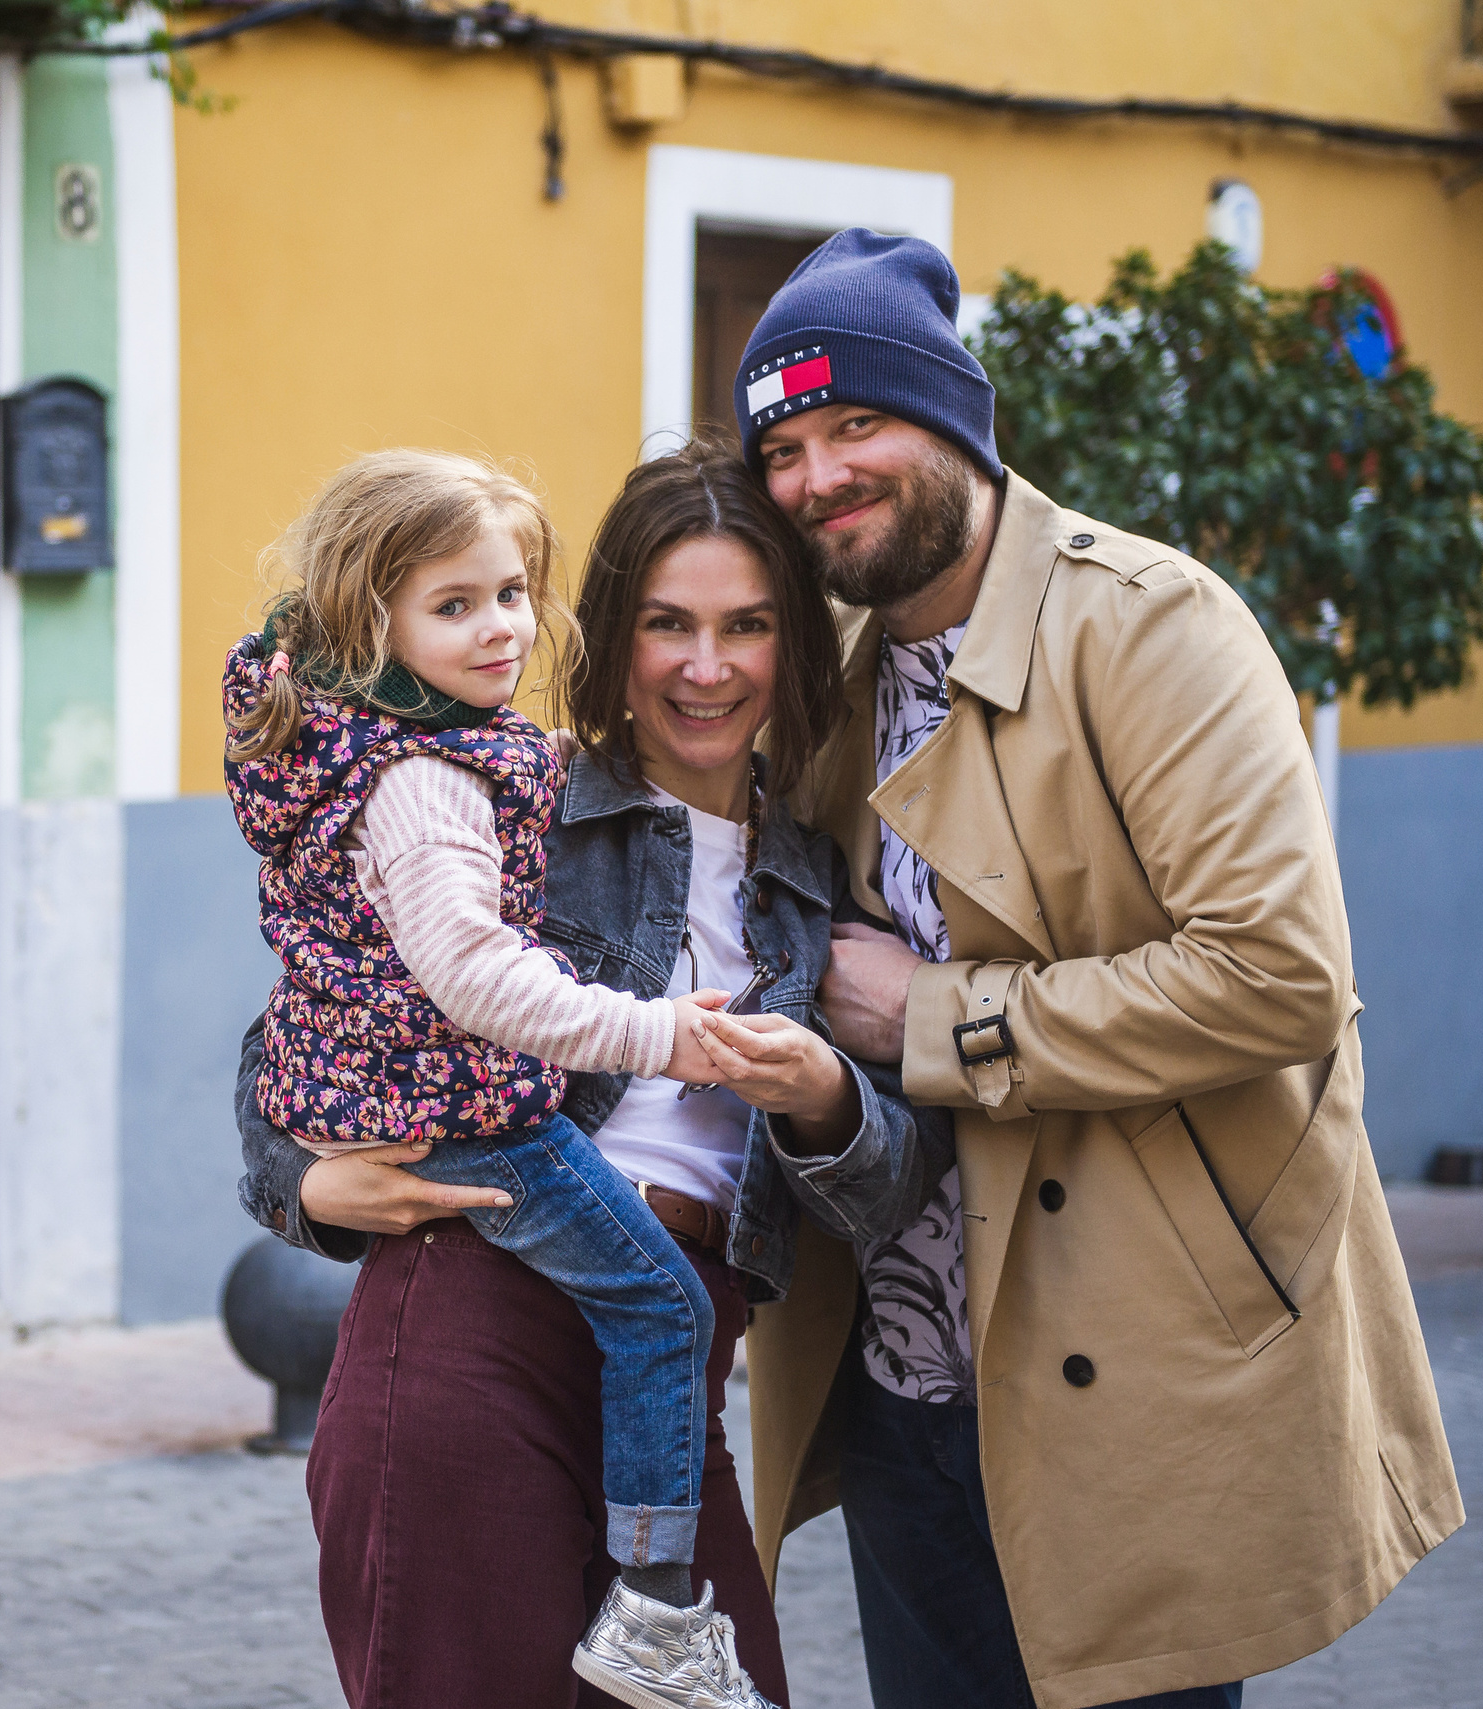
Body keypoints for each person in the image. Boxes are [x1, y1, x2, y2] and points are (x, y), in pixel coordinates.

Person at [730, 229, 1464, 1709]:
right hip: (906, 1376)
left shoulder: (1150, 625)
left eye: (856, 423)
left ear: (956, 420)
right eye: (788, 447)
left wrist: (932, 1015)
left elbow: (1277, 974)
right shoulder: (837, 670)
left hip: (1127, 1372)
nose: (817, 476)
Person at [233, 440, 951, 1709]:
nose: (705, 664)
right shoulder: (513, 798)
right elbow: (302, 1025)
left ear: (796, 645)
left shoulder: (816, 876)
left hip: (673, 1381)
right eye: (667, 622)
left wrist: (824, 1099)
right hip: (469, 1337)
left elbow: (890, 1190)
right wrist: (304, 1181)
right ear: (613, 630)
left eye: (748, 624)